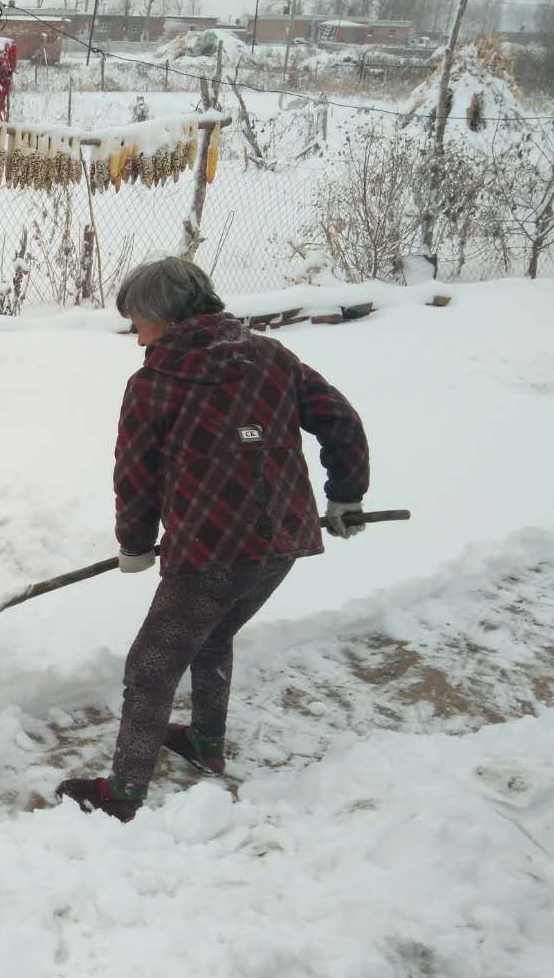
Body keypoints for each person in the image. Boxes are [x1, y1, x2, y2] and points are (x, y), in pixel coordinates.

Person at [57, 257, 369, 823]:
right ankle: (205, 743)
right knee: (212, 637)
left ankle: (123, 794)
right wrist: (347, 496)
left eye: (137, 324)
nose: (136, 338)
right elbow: (340, 421)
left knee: (151, 667)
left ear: (162, 316)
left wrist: (134, 541)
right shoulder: (271, 357)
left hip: (208, 556)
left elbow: (136, 473)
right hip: (281, 544)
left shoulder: (154, 382)